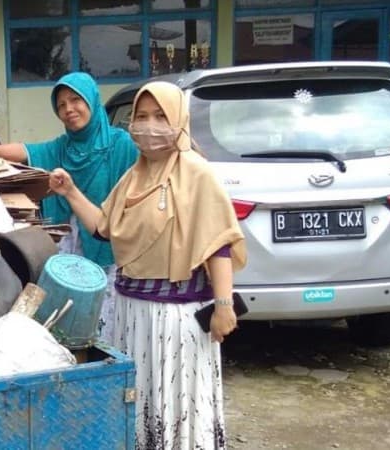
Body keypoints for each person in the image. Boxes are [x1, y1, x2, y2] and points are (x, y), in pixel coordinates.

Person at [47, 81, 247, 449]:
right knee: (141, 404)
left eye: (160, 116)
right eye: (141, 117)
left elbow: (217, 243)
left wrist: (223, 305)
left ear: (179, 121)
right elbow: (102, 228)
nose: (149, 126)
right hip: (131, 313)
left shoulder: (196, 173)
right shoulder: (133, 177)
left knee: (178, 405)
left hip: (179, 317)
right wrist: (71, 192)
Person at [0, 72, 139, 343]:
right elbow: (26, 150)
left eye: (76, 100)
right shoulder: (62, 147)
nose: (68, 109)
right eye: (61, 105)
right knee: (63, 311)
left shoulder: (120, 145)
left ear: (92, 101)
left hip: (105, 244)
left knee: (101, 314)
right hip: (69, 242)